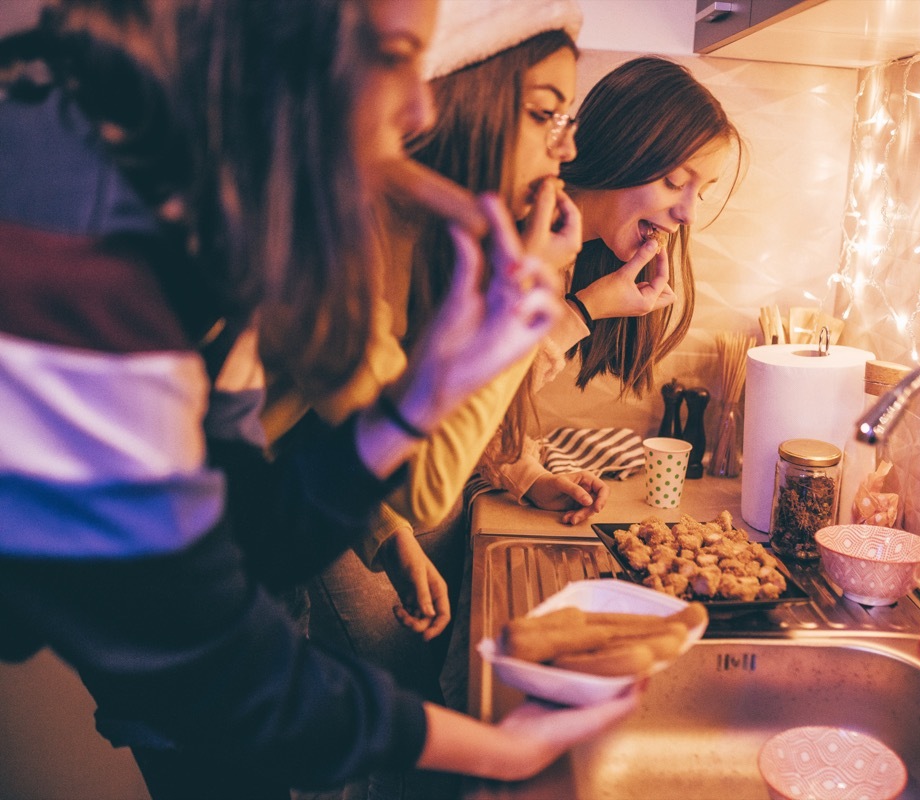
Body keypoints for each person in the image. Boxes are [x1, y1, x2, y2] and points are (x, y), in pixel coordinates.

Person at [0, 2, 639, 799]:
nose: (418, 108)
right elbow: (209, 658)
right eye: (393, 55)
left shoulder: (214, 231)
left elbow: (250, 536)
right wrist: (492, 751)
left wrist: (422, 396)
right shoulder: (79, 219)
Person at [477, 55, 745, 523]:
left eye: (698, 193)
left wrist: (532, 478)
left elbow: (491, 416)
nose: (688, 214)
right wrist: (584, 311)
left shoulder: (577, 253)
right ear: (621, 153)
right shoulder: (513, 239)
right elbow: (474, 396)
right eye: (673, 181)